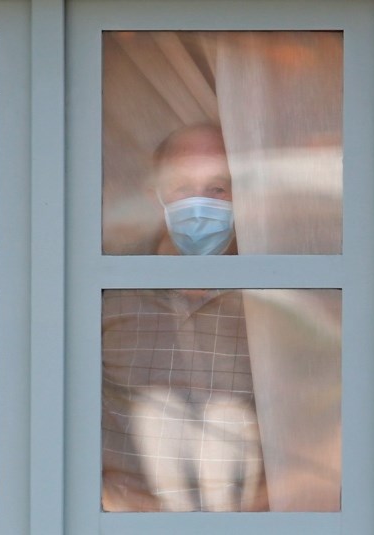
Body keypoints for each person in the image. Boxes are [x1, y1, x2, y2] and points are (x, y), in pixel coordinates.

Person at [101, 124, 268, 512]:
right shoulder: (107, 293)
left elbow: (323, 431)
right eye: (182, 187)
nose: (200, 204)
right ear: (154, 197)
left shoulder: (277, 295)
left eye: (217, 188)